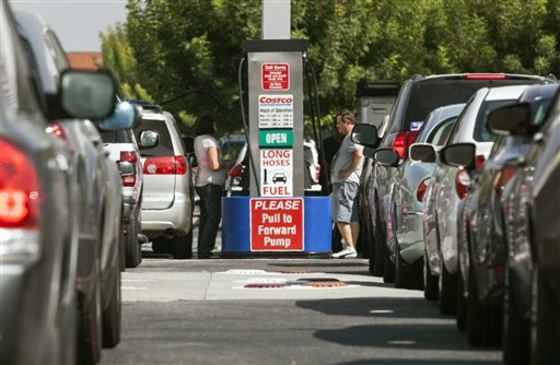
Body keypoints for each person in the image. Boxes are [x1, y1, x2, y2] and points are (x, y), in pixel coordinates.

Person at [330, 110, 364, 259]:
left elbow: (358, 154)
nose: (337, 127)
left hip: (345, 182)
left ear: (348, 123)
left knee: (341, 215)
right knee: (352, 217)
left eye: (339, 123)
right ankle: (352, 248)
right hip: (350, 182)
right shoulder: (353, 137)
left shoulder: (351, 138)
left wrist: (348, 170)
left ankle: (350, 247)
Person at [194, 115, 226, 259]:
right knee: (213, 217)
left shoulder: (198, 140)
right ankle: (206, 249)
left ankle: (202, 248)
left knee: (205, 217)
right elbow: (214, 165)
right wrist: (226, 164)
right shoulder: (210, 142)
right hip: (211, 183)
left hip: (201, 181)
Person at [322, 113, 345, 252]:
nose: (337, 128)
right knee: (337, 214)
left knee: (340, 214)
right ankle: (334, 242)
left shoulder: (349, 142)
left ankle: (336, 242)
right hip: (331, 182)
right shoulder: (328, 144)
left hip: (338, 181)